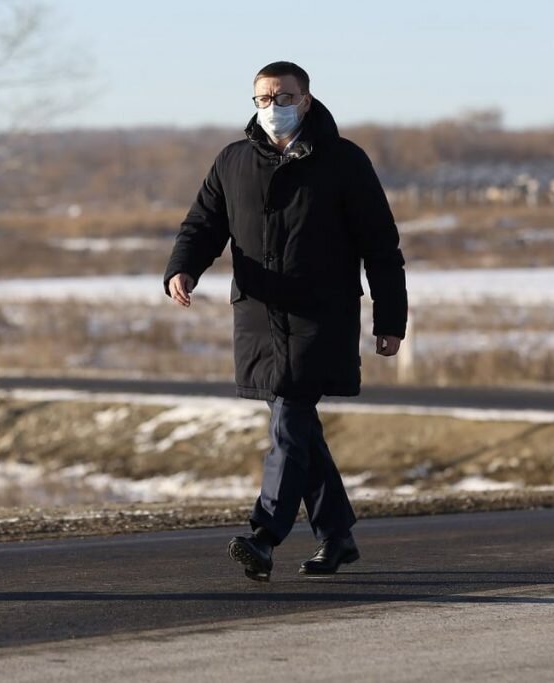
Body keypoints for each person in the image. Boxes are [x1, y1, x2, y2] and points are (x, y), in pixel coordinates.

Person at [163, 61, 408, 581]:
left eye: (285, 96)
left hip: (321, 314)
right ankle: (337, 536)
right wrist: (183, 268)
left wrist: (390, 319)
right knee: (296, 427)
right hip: (257, 315)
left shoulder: (343, 162)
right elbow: (203, 223)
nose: (274, 107)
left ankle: (264, 534)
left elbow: (381, 246)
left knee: (290, 417)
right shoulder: (232, 161)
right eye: (264, 98)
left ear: (308, 99)